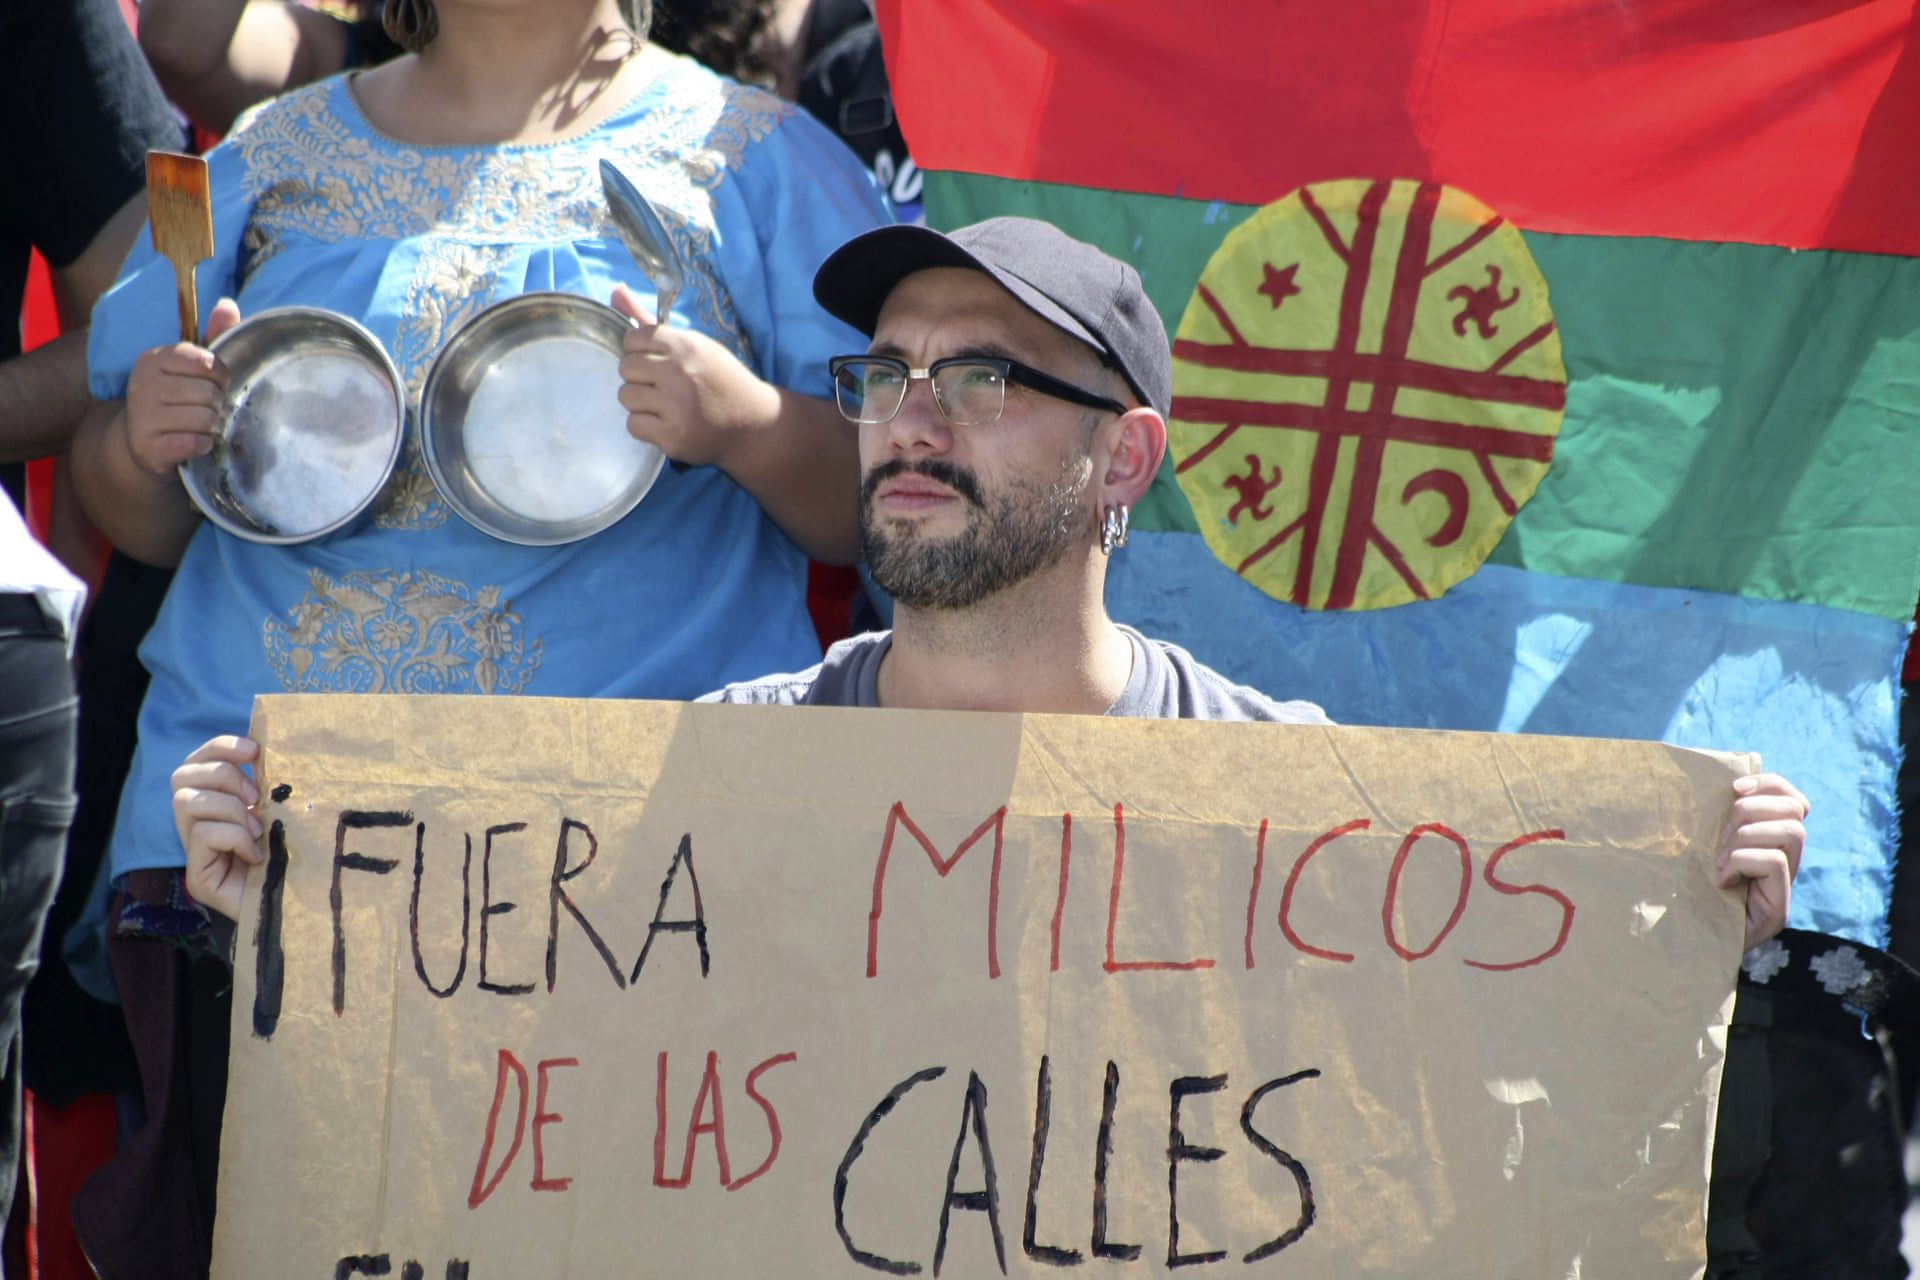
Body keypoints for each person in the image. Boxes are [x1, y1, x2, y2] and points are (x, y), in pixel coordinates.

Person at [71, 1, 888, 1273]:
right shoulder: (264, 157)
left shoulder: (758, 159)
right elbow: (139, 518)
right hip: (253, 855)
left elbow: (882, 507)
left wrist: (744, 425)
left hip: (623, 897)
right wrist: (140, 445)